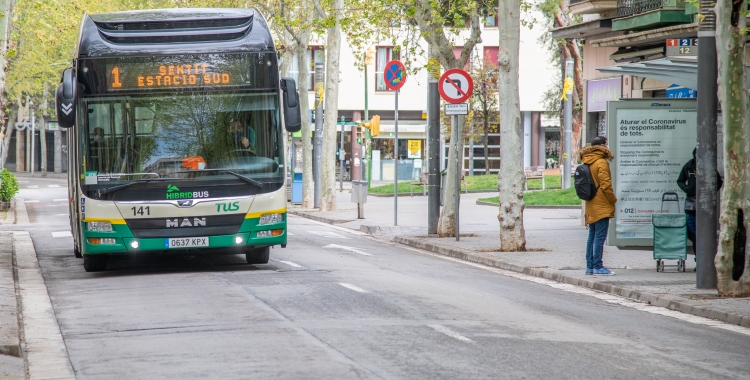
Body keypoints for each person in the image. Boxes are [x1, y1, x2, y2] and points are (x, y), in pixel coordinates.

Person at [579, 136, 617, 276]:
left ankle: (590, 267)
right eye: (606, 144)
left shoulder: (587, 160)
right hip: (601, 203)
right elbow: (605, 184)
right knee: (600, 237)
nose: (607, 147)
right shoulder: (601, 162)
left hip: (590, 202)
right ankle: (598, 266)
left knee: (592, 236)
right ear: (601, 146)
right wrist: (613, 199)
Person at [676, 147, 723, 249]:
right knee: (692, 230)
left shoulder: (709, 166)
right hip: (691, 202)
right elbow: (680, 180)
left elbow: (719, 181)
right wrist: (688, 189)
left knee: (704, 230)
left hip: (706, 201)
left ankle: (703, 256)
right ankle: (698, 258)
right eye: (697, 154)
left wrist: (711, 192)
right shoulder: (688, 166)